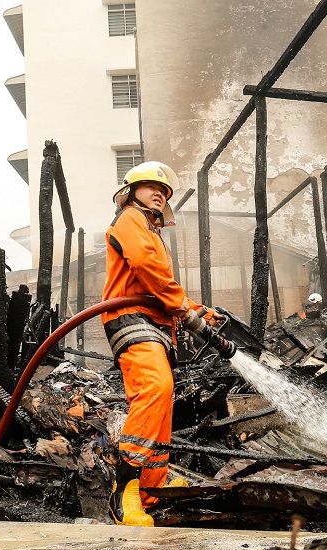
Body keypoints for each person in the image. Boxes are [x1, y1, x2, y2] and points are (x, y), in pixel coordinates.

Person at [103, 161, 218, 527]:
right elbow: (143, 266)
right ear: (131, 190)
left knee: (160, 403)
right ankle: (124, 490)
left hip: (154, 320)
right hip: (130, 318)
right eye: (151, 185)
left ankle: (151, 489)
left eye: (164, 191)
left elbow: (159, 286)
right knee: (156, 387)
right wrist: (183, 307)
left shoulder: (153, 231)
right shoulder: (130, 218)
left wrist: (198, 310)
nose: (159, 193)